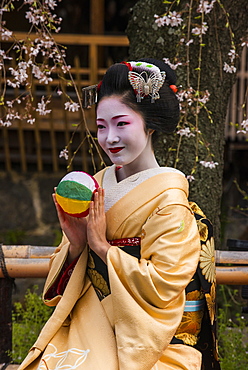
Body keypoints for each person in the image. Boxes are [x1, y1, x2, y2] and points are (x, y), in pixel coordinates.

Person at [19, 58, 220, 370]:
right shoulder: (96, 184)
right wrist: (76, 245)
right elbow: (67, 278)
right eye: (101, 126)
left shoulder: (171, 202)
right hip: (90, 320)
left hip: (150, 338)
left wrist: (101, 247)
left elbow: (163, 287)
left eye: (122, 124)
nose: (109, 137)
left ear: (149, 124)